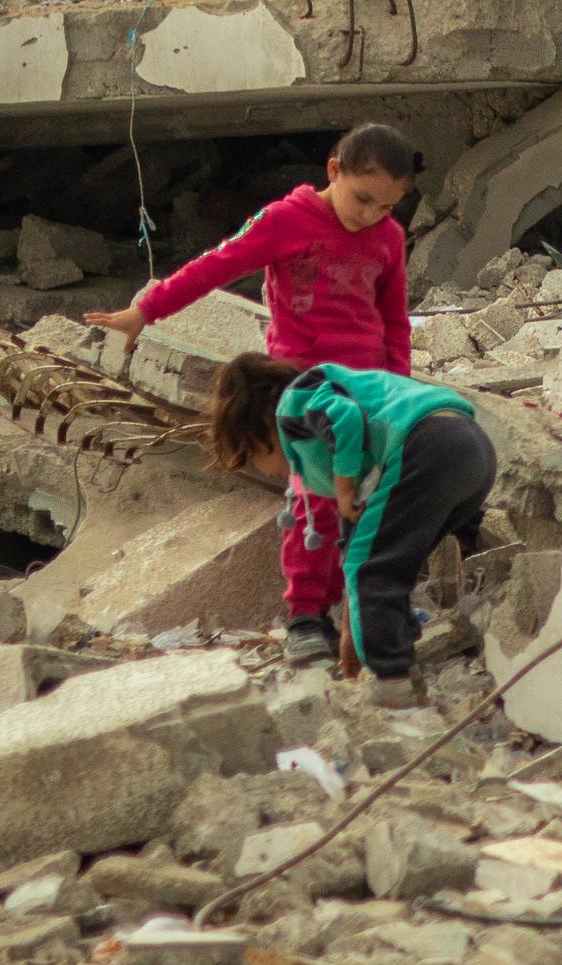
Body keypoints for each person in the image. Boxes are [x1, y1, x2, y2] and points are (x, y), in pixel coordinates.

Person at [88, 123, 420, 668]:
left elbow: (394, 321)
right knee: (313, 503)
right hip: (301, 391)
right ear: (333, 171)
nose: (370, 215)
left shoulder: (389, 239)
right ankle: (305, 618)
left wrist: (398, 391)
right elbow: (217, 265)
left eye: (387, 206)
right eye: (362, 199)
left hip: (368, 390)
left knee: (367, 503)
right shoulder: (286, 221)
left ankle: (359, 613)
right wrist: (147, 311)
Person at [198, 353, 495, 709]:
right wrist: (350, 641)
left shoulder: (294, 404)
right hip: (474, 453)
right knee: (383, 566)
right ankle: (403, 673)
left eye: (253, 458)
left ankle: (391, 683)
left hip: (429, 444)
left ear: (258, 429)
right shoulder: (335, 430)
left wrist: (341, 486)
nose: (266, 471)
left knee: (376, 571)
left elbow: (345, 418)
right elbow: (355, 547)